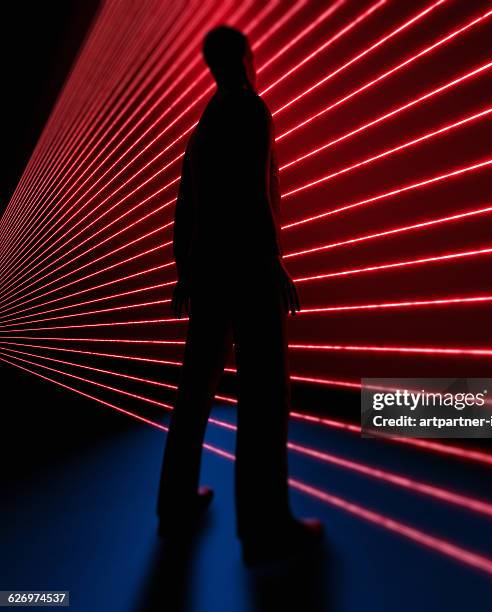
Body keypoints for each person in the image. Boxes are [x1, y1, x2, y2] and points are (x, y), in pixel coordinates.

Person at [156, 25, 323, 564]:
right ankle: (265, 524)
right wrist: (273, 265)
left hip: (209, 274)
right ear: (246, 58)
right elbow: (254, 194)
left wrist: (186, 270)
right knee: (265, 395)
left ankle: (175, 503)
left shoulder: (202, 127)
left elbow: (187, 202)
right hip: (249, 272)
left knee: (194, 390)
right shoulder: (252, 111)